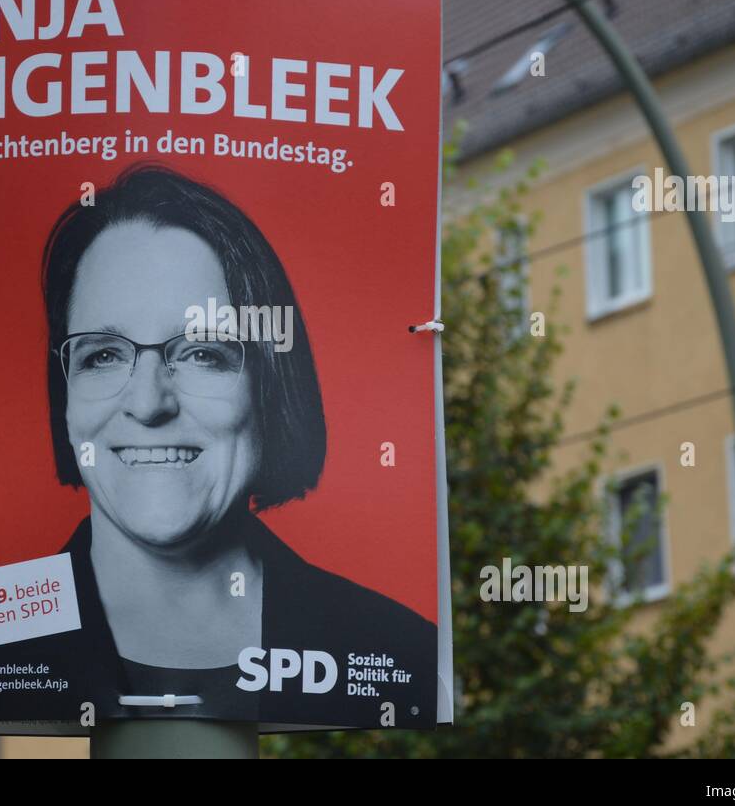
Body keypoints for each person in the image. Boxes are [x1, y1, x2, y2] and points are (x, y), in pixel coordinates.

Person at [37, 165, 436, 726]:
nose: (149, 404)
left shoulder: (398, 651)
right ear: (66, 394)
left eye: (204, 353)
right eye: (102, 355)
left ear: (270, 385)